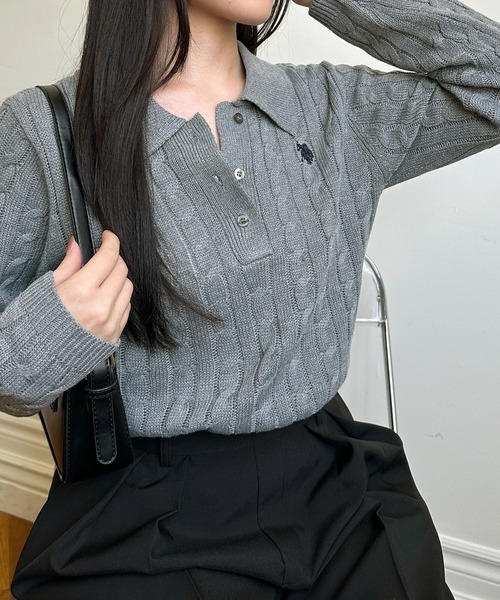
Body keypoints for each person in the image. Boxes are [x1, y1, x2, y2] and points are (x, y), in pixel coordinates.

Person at [1, 0, 499, 597]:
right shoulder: (40, 133)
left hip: (334, 490)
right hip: (137, 509)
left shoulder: (335, 108)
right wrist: (55, 331)